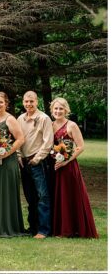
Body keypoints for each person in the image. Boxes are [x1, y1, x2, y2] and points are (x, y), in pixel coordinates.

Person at [50, 97, 98, 238]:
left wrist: (66, 161)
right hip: (54, 166)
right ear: (52, 110)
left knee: (69, 196)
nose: (58, 111)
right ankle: (59, 228)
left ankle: (72, 229)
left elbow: (81, 146)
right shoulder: (50, 125)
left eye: (61, 109)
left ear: (66, 110)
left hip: (69, 167)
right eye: (56, 108)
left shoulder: (71, 125)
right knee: (57, 196)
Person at [0, 91, 25, 237]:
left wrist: (6, 152)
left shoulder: (10, 119)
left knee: (5, 192)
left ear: (6, 104)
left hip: (7, 161)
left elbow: (20, 139)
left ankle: (8, 227)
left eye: (1, 102)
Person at [17, 90, 54, 239]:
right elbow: (17, 138)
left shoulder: (44, 118)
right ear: (23, 102)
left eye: (31, 101)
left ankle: (44, 229)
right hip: (24, 162)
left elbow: (48, 141)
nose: (29, 104)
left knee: (42, 196)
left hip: (38, 161)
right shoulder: (20, 118)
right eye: (26, 101)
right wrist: (18, 155)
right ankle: (33, 227)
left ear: (36, 102)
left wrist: (38, 158)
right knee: (30, 196)